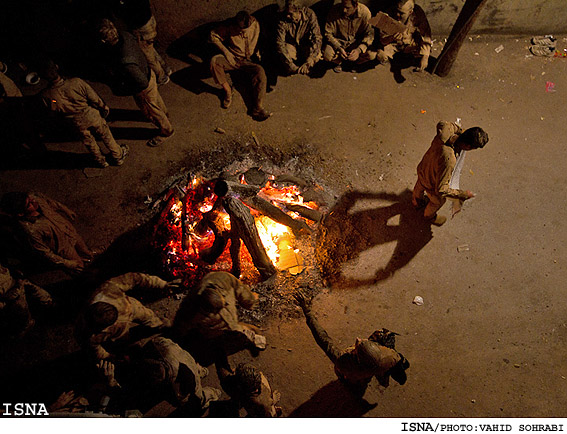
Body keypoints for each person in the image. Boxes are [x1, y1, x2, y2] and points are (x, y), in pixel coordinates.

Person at [294, 291, 409, 396]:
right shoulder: (389, 357)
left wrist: (307, 311)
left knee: (348, 378)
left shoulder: (343, 362)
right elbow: (399, 370)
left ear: (356, 356)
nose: (358, 338)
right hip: (371, 371)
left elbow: (322, 338)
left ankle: (351, 387)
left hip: (354, 375)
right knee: (381, 335)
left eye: (358, 346)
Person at [98, 18, 174, 147]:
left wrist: (122, 90)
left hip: (143, 87)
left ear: (103, 40)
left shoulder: (126, 62)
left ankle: (166, 131)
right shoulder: (125, 36)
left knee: (151, 110)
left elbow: (141, 83)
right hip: (148, 73)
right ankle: (165, 114)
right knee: (156, 101)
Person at [39, 60, 128, 168]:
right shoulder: (76, 82)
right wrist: (103, 107)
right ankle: (118, 156)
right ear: (56, 67)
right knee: (106, 135)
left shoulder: (47, 95)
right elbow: (93, 97)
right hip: (91, 115)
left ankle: (101, 161)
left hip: (75, 122)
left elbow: (53, 107)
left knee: (89, 142)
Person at [76, 272, 182, 360]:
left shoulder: (108, 290)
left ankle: (160, 325)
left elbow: (136, 278)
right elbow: (95, 350)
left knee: (152, 319)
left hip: (132, 308)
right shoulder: (87, 334)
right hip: (119, 334)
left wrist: (162, 284)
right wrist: (111, 356)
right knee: (128, 344)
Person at [412, 121, 489, 226]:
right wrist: (461, 194)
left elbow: (441, 123)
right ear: (467, 146)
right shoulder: (449, 160)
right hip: (431, 183)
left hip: (423, 168)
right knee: (437, 201)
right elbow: (441, 189)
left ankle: (416, 202)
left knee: (419, 186)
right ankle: (429, 216)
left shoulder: (446, 131)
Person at [173, 271, 266, 356]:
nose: (221, 310)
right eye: (216, 311)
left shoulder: (222, 279)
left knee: (244, 330)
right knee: (217, 341)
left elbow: (238, 287)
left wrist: (249, 301)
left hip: (228, 321)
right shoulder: (191, 308)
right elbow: (181, 324)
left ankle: (246, 333)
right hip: (214, 330)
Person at [0, 192, 93, 273]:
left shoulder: (34, 198)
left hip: (69, 232)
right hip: (62, 248)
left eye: (30, 199)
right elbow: (45, 253)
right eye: (29, 204)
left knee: (85, 252)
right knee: (79, 268)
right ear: (21, 214)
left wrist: (65, 210)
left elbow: (50, 202)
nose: (34, 201)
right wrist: (67, 263)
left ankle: (90, 260)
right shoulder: (30, 230)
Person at [130, 336, 222, 412]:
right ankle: (200, 370)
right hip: (181, 356)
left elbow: (182, 400)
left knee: (198, 400)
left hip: (189, 372)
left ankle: (213, 393)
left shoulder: (183, 384)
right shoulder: (159, 345)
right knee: (193, 366)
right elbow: (162, 341)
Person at [209, 11, 272, 121]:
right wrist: (226, 52)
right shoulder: (230, 26)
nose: (242, 33)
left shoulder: (255, 24)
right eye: (240, 30)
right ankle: (228, 92)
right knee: (214, 61)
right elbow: (213, 35)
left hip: (249, 60)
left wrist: (258, 52)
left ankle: (257, 108)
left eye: (244, 31)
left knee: (260, 72)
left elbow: (260, 38)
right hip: (234, 58)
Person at [210, 180, 277, 280]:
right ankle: (265, 270)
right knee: (243, 241)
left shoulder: (233, 202)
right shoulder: (230, 203)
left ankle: (266, 270)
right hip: (239, 215)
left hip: (241, 216)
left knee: (245, 241)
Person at [111, 0, 172, 85]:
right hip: (149, 20)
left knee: (148, 55)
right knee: (149, 48)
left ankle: (162, 77)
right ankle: (165, 68)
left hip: (141, 28)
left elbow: (121, 13)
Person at [375, 0, 432, 72]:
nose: (397, 14)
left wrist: (425, 56)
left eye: (401, 13)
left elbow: (426, 33)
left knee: (424, 50)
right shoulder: (388, 13)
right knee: (381, 55)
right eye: (397, 11)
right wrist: (391, 37)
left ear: (410, 12)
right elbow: (382, 40)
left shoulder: (417, 13)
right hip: (393, 44)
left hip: (409, 42)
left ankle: (410, 58)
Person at [0, 264, 53, 337]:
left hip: (12, 287)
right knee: (19, 301)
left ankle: (45, 301)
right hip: (11, 290)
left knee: (24, 291)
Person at [323, 0, 375, 72]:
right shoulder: (334, 11)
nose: (344, 10)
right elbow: (328, 33)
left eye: (347, 8)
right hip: (339, 42)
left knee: (371, 54)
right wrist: (339, 47)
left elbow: (370, 34)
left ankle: (355, 62)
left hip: (356, 43)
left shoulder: (365, 13)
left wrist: (359, 50)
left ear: (355, 6)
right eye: (343, 6)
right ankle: (339, 62)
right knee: (327, 54)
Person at [217, 361, 282, 417]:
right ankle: (236, 404)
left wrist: (272, 404)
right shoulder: (261, 382)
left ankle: (235, 404)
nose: (233, 370)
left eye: (235, 373)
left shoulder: (263, 404)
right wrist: (272, 402)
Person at [275, 0, 322, 76]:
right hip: (292, 46)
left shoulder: (310, 15)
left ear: (299, 11)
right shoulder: (283, 20)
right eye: (287, 13)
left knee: (317, 54)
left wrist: (310, 59)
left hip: (305, 45)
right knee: (285, 52)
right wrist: (293, 68)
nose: (288, 16)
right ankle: (293, 66)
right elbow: (280, 44)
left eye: (291, 14)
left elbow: (317, 37)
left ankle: (307, 66)